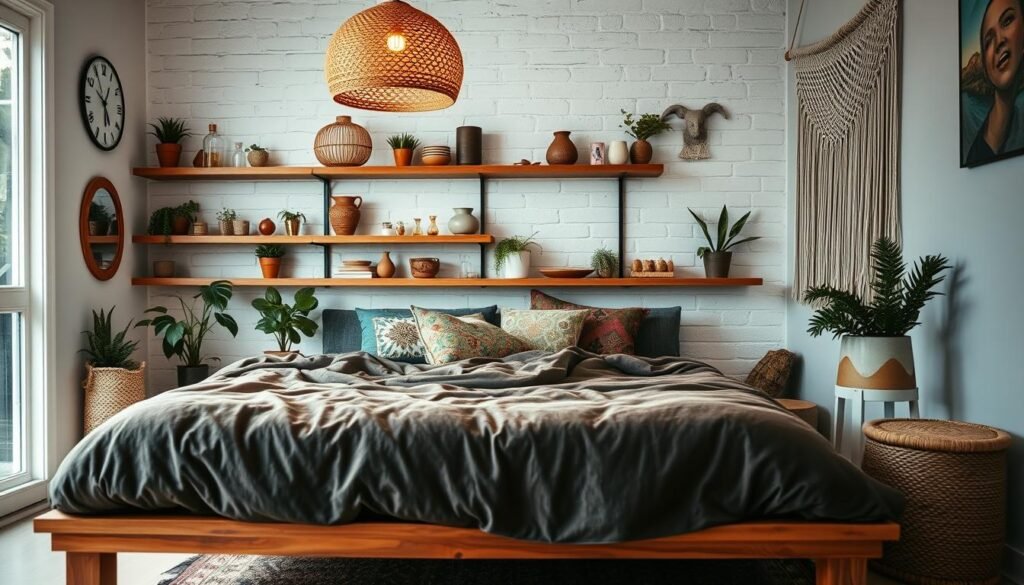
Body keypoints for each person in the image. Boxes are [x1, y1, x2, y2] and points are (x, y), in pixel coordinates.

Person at [966, 0, 1024, 165]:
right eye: (988, 41)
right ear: (984, 66)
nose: (999, 41)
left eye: (1007, 21)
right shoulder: (976, 153)